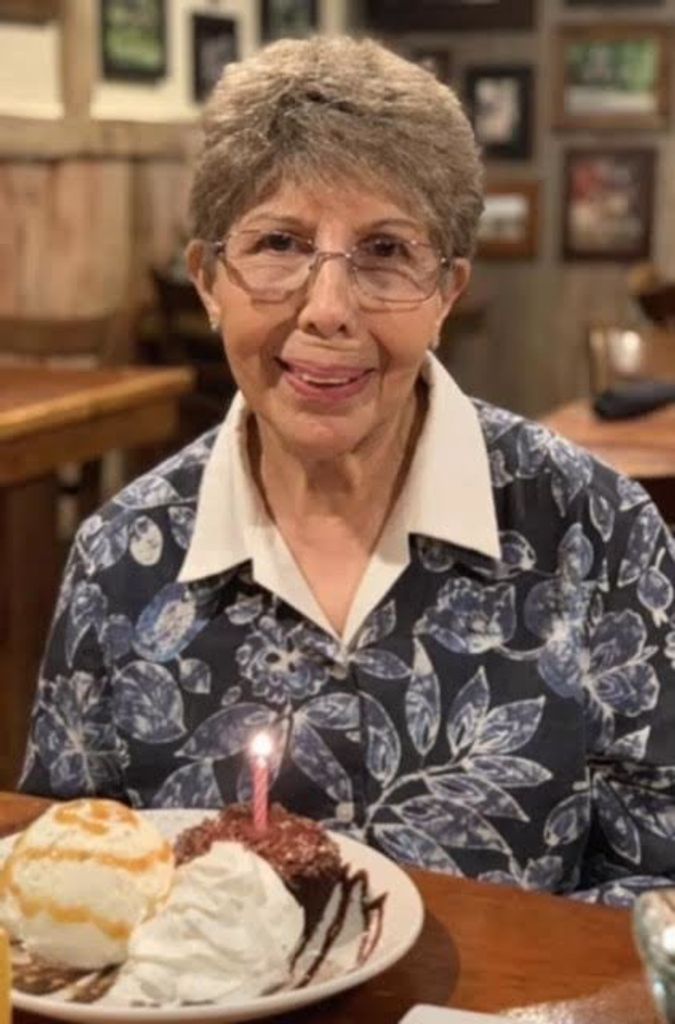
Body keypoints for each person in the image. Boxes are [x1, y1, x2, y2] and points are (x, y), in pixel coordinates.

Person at [20, 35, 675, 907]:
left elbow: (660, 883)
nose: (327, 310)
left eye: (386, 252)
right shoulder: (120, 559)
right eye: (278, 243)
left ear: (446, 291)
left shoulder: (599, 533)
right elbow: (66, 879)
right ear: (209, 280)